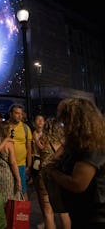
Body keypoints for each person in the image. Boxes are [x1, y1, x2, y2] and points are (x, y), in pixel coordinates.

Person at [44, 98, 105, 228]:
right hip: (81, 213)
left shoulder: (93, 145)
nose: (63, 126)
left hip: (95, 217)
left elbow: (77, 184)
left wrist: (52, 172)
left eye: (65, 121)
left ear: (77, 121)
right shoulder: (79, 142)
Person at [35, 117, 71, 229]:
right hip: (60, 176)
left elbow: (38, 153)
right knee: (64, 211)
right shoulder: (65, 143)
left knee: (47, 212)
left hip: (44, 176)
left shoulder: (42, 140)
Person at [8, 103, 33, 199]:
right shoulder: (4, 127)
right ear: (11, 113)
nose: (19, 116)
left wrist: (29, 164)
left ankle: (23, 212)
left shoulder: (25, 128)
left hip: (20, 165)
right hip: (7, 165)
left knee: (22, 191)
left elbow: (29, 147)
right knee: (9, 190)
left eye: (21, 114)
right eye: (16, 113)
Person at [0, 120, 22, 204]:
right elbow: (13, 163)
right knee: (10, 203)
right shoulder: (9, 144)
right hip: (7, 176)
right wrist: (18, 179)